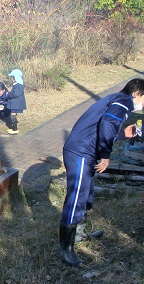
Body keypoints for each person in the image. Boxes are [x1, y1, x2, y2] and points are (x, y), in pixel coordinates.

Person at [60, 78, 144, 267]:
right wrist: (106, 155)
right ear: (137, 93)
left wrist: (123, 134)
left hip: (85, 151)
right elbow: (107, 123)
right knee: (76, 197)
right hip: (80, 151)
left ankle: (80, 235)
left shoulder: (115, 100)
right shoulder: (124, 101)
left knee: (86, 195)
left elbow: (103, 126)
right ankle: (66, 249)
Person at [7, 69, 27, 134]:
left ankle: (15, 129)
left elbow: (16, 94)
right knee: (13, 115)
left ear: (15, 78)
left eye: (12, 77)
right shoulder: (17, 84)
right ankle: (14, 128)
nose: (11, 79)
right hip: (15, 103)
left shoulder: (18, 85)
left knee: (12, 115)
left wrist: (8, 94)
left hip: (16, 103)